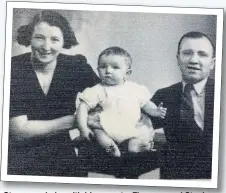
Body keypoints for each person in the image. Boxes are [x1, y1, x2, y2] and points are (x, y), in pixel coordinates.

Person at [8, 10, 99, 176]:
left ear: (65, 41)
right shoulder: (13, 68)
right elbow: (19, 131)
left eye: (55, 39)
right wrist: (79, 119)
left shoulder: (76, 66)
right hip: (19, 160)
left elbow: (107, 97)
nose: (46, 47)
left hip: (64, 157)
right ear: (29, 38)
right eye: (39, 37)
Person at [76, 46, 167, 157]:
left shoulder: (135, 89)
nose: (108, 71)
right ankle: (110, 148)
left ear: (127, 73)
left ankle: (142, 145)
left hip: (132, 128)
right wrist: (83, 128)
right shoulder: (97, 90)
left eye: (115, 67)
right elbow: (82, 108)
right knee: (98, 132)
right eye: (103, 67)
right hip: (107, 128)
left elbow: (146, 104)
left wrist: (155, 111)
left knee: (135, 146)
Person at [151, 31, 215, 179]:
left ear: (212, 63)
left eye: (202, 54)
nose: (194, 60)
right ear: (178, 59)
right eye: (187, 53)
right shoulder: (163, 95)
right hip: (176, 178)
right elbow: (137, 127)